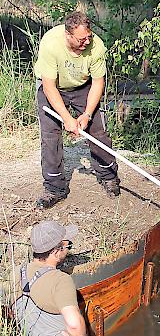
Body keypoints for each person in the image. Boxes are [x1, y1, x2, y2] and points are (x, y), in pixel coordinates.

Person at [34, 11, 120, 209]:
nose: (86, 42)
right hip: (53, 87)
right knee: (50, 138)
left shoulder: (96, 46)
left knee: (98, 132)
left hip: (83, 87)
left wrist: (87, 114)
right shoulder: (51, 44)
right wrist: (67, 118)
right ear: (68, 34)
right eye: (81, 39)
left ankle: (108, 176)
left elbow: (98, 83)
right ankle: (55, 188)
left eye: (89, 36)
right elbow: (49, 87)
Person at [10, 221, 110, 336]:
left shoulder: (15, 273)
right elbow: (73, 323)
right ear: (56, 252)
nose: (68, 249)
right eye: (67, 245)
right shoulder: (60, 280)